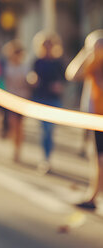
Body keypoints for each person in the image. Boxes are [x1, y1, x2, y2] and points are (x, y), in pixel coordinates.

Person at [65, 30, 103, 210]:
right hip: (94, 118)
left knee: (99, 159)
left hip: (99, 119)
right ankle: (93, 195)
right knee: (96, 157)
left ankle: (93, 195)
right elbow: (72, 74)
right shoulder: (92, 64)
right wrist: (87, 52)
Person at [30, 31, 65, 174]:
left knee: (50, 130)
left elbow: (65, 79)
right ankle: (45, 158)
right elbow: (32, 76)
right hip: (41, 98)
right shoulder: (37, 61)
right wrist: (32, 80)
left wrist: (59, 86)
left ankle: (47, 157)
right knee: (44, 130)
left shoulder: (58, 62)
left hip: (53, 99)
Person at [2, 39, 31, 163]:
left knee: (20, 127)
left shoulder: (25, 67)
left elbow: (28, 81)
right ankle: (14, 149)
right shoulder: (6, 66)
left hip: (22, 99)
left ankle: (18, 150)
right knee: (13, 125)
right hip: (10, 99)